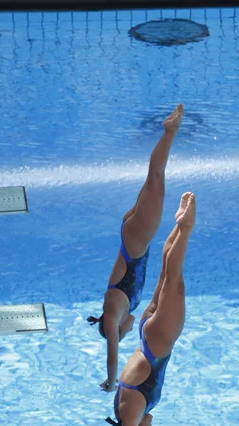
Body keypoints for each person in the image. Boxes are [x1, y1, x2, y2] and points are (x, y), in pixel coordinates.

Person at [88, 104, 184, 393]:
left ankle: (170, 131)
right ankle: (168, 133)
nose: (130, 331)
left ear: (115, 330)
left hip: (137, 239)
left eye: (122, 334)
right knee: (154, 181)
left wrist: (111, 379)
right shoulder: (120, 307)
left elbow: (112, 351)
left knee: (156, 179)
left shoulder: (113, 310)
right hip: (133, 236)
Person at [105, 192, 196, 426]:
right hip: (146, 331)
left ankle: (185, 226)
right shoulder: (122, 411)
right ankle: (177, 226)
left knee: (174, 280)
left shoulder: (130, 417)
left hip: (157, 341)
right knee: (165, 276)